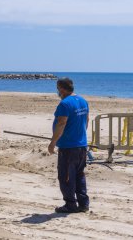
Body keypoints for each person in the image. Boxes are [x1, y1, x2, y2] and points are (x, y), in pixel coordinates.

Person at [48, 77, 90, 214]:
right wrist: (80, 136)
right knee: (79, 175)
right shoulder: (83, 101)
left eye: (58, 89)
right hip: (81, 146)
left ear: (62, 89)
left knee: (65, 176)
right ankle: (83, 204)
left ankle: (70, 204)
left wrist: (53, 142)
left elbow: (61, 123)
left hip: (68, 147)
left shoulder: (64, 104)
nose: (57, 92)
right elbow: (86, 121)